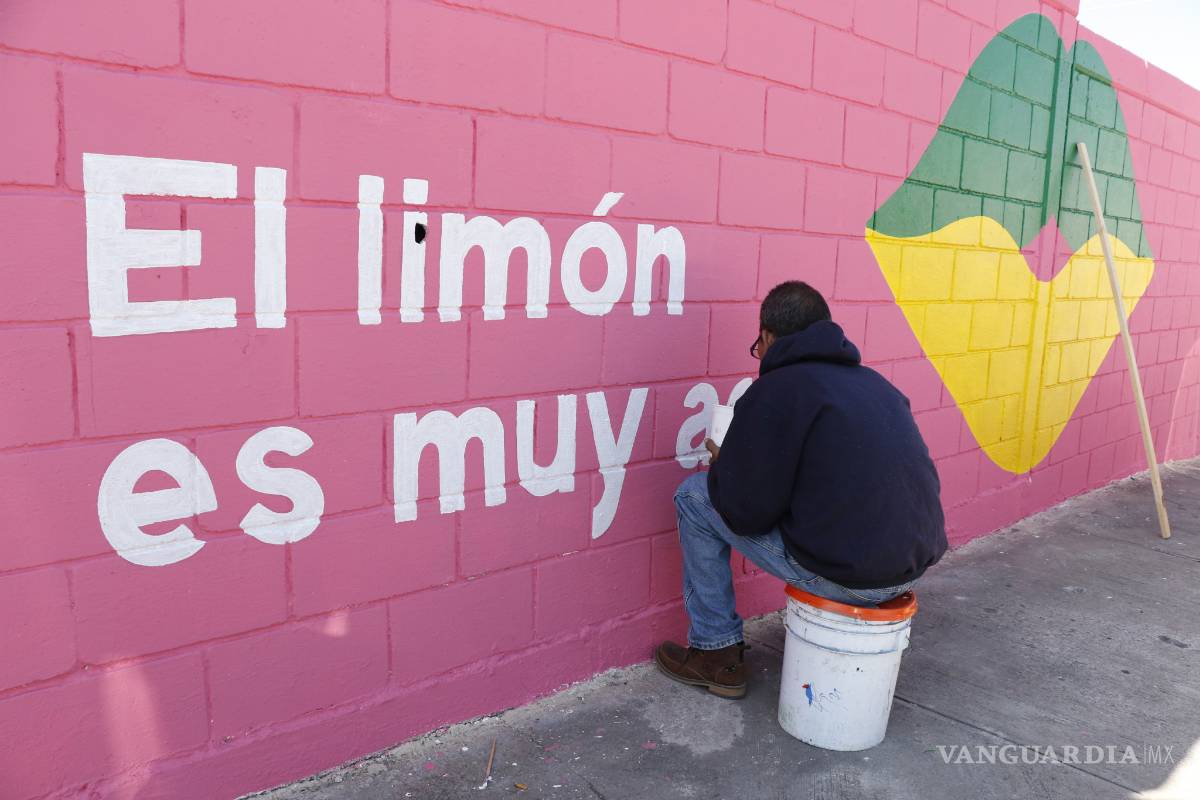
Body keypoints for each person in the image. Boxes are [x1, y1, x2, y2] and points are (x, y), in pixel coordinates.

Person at [655, 281, 947, 699]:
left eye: (759, 344)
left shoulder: (776, 390)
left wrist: (727, 467)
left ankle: (715, 653)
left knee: (694, 496)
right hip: (909, 567)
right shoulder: (875, 384)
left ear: (769, 337)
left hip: (851, 576)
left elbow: (745, 512)